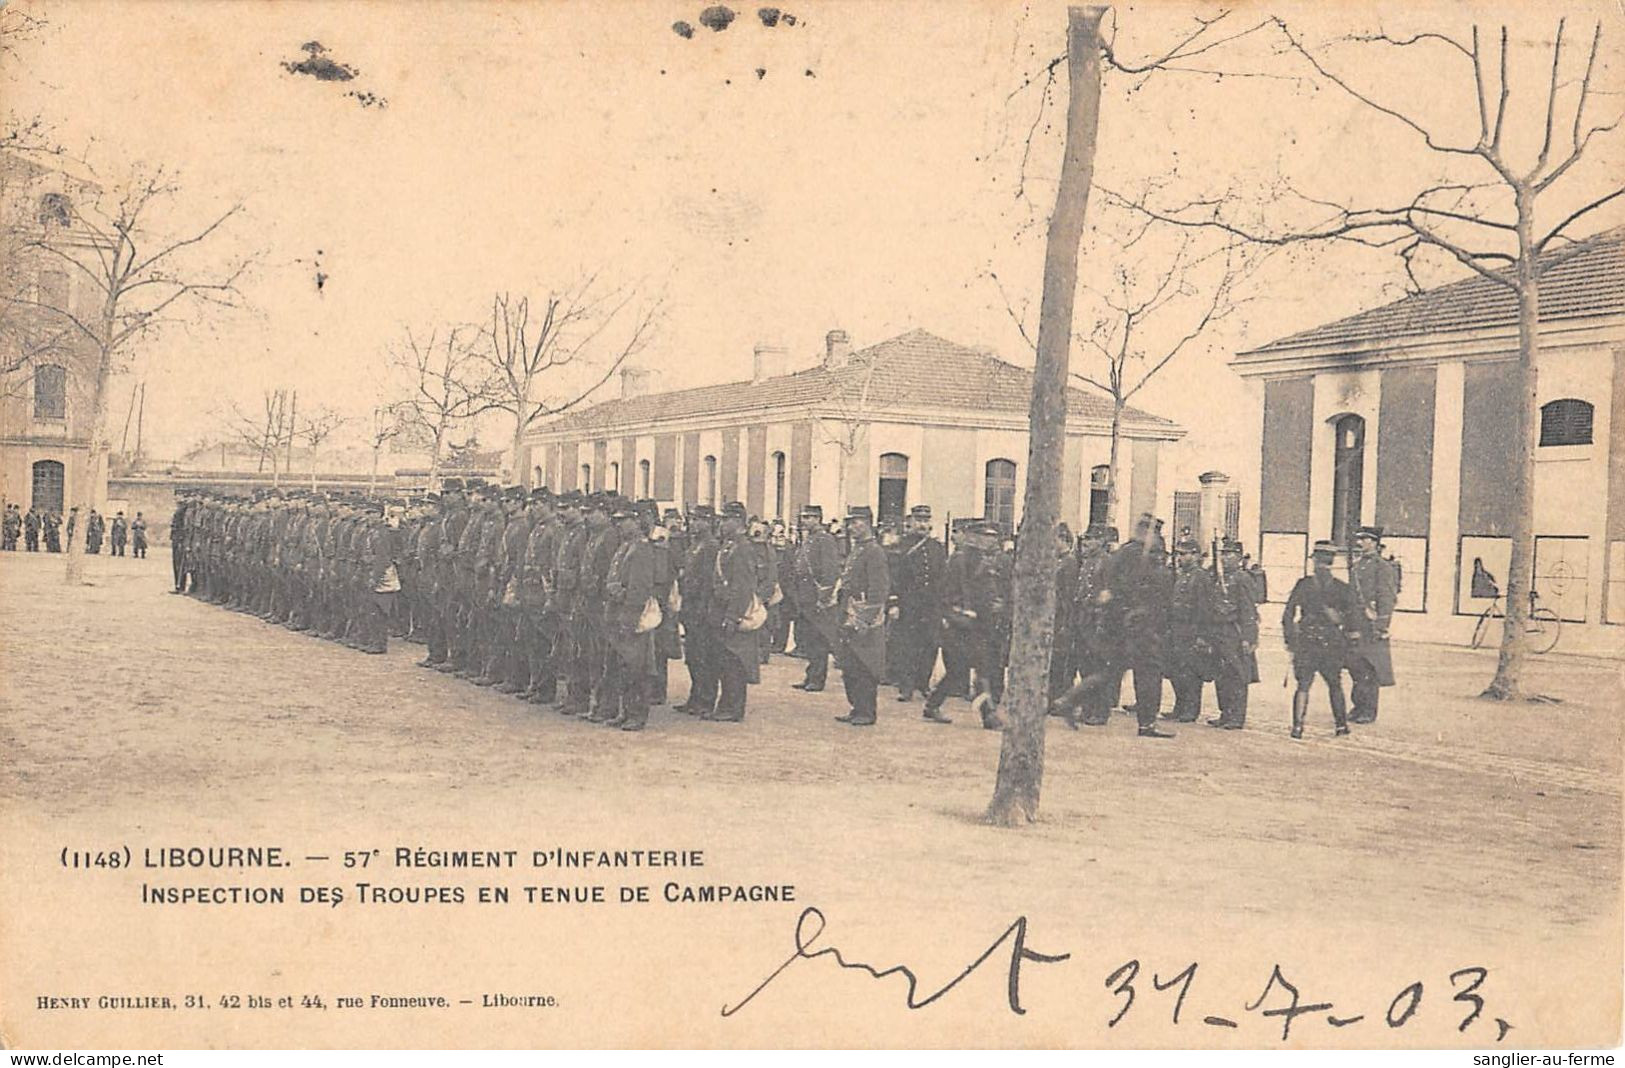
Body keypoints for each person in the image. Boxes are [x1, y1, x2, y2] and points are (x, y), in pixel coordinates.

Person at [1282, 540, 1355, 739]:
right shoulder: (1342, 588)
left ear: (1314, 561)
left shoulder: (1304, 584)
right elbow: (1351, 619)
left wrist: (1291, 641)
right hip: (1331, 642)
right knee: (1335, 684)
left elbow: (1287, 615)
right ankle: (1340, 725)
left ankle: (1297, 727)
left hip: (1306, 642)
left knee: (1303, 685)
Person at [600, 501, 657, 730]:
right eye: (618, 521)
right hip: (617, 614)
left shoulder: (641, 548)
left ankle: (637, 714)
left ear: (636, 521)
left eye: (624, 521)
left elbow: (639, 590)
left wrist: (629, 618)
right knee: (621, 667)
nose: (620, 525)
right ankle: (626, 711)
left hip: (630, 617)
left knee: (636, 668)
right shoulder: (625, 546)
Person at [834, 506, 890, 726]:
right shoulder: (858, 549)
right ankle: (857, 707)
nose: (851, 527)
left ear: (868, 523)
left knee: (864, 664)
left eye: (856, 522)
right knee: (850, 664)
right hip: (850, 610)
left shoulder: (874, 551)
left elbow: (879, 588)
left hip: (864, 613)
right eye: (850, 523)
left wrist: (866, 618)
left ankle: (866, 711)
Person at [708, 501, 762, 722]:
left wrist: (733, 616)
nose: (722, 523)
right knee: (724, 660)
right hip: (721, 608)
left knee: (734, 661)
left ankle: (734, 707)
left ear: (737, 521)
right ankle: (726, 704)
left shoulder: (743, 548)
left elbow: (743, 586)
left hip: (731, 610)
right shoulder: (729, 545)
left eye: (726, 519)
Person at [892, 504, 946, 702]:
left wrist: (941, 606)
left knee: (929, 645)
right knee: (907, 645)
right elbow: (895, 577)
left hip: (931, 606)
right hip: (909, 605)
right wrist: (894, 603)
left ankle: (923, 683)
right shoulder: (902, 545)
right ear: (911, 522)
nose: (923, 524)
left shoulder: (937, 547)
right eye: (919, 520)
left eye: (926, 520)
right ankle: (905, 687)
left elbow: (942, 577)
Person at [1346, 524, 1398, 724]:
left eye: (1365, 539)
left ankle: (1369, 709)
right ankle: (1358, 705)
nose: (1360, 543)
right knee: (1355, 666)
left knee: (1370, 668)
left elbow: (1387, 597)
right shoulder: (1358, 565)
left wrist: (1382, 624)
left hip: (1372, 623)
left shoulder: (1382, 567)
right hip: (1356, 623)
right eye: (1359, 539)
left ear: (1375, 543)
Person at [1206, 539, 1260, 730]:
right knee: (1221, 674)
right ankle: (1225, 713)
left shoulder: (1242, 578)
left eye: (1229, 554)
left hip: (1234, 630)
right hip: (1219, 629)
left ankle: (1237, 716)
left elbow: (1248, 610)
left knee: (1237, 674)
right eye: (1223, 554)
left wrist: (1249, 638)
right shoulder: (1220, 576)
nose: (1225, 558)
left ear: (1238, 557)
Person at [788, 505, 841, 694]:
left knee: (819, 638)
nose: (806, 521)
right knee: (809, 637)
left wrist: (824, 596)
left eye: (810, 517)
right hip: (804, 594)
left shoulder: (824, 539)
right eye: (804, 517)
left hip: (816, 594)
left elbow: (830, 569)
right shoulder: (809, 539)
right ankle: (811, 675)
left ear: (818, 519)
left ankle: (817, 678)